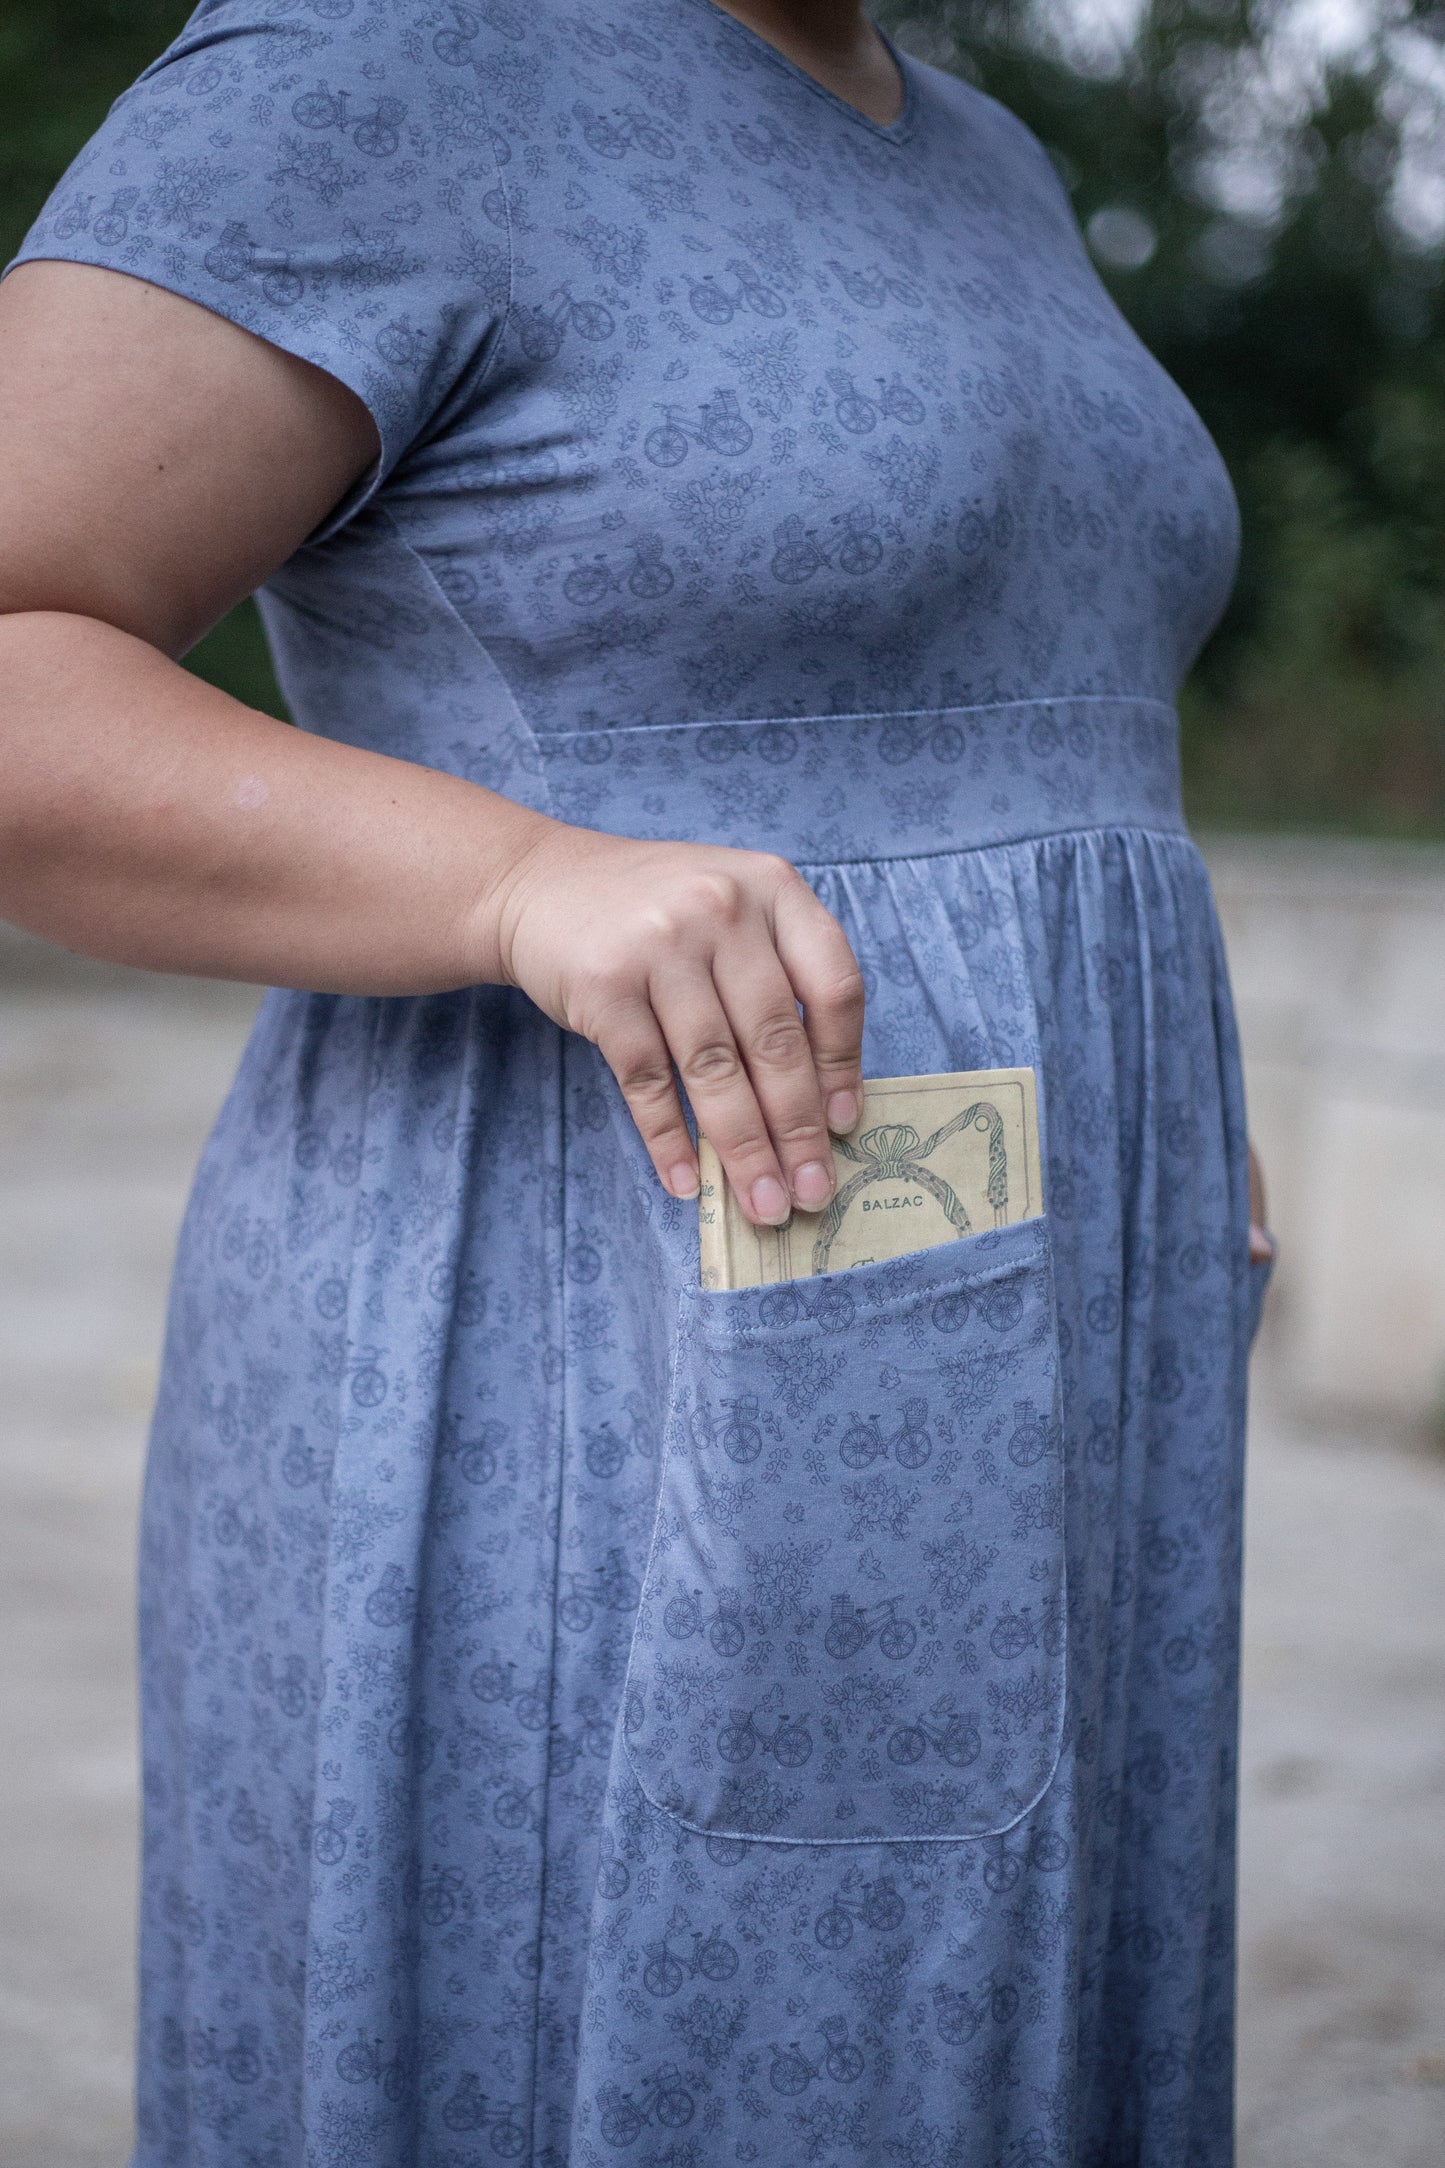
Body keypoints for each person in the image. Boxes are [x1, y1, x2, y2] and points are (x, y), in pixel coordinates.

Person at [0, 0, 1274, 2161]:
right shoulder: (370, 73)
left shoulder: (985, 156)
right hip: (581, 1350)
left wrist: (1131, 1033)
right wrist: (517, 879)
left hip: (1038, 1362)